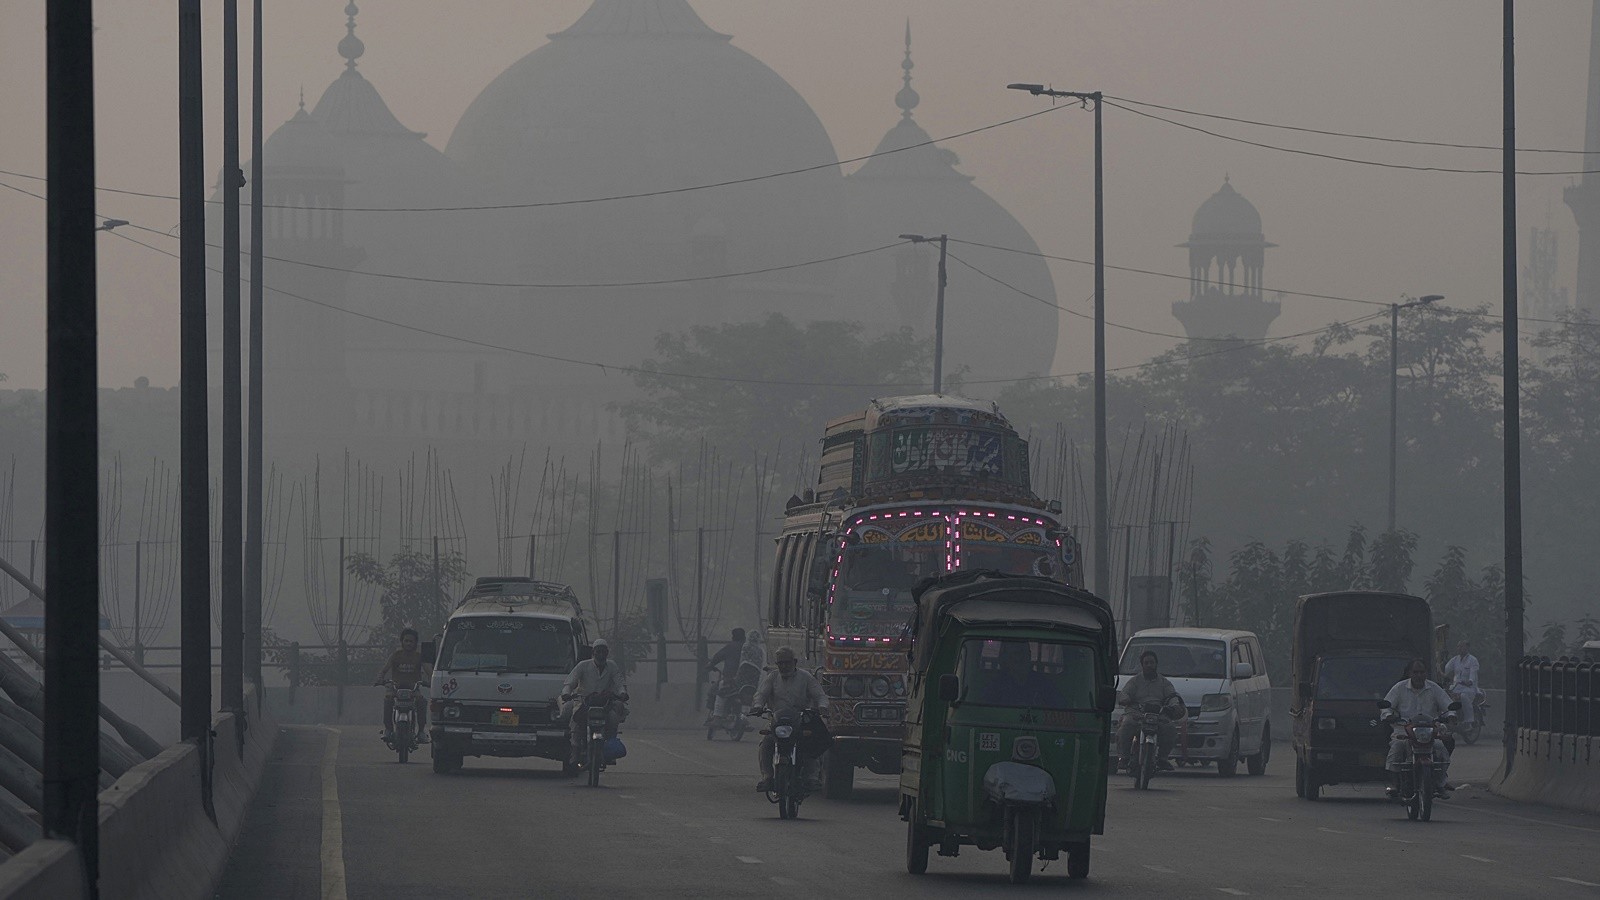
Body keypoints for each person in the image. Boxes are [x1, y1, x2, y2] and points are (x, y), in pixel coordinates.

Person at [752, 646, 829, 792]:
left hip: (800, 719)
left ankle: (811, 778)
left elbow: (820, 695)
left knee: (811, 743)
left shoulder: (805, 677)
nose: (783, 666)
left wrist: (822, 707)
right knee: (766, 744)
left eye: (787, 663)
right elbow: (761, 694)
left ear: (794, 662)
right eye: (780, 663)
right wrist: (757, 706)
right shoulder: (773, 677)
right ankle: (767, 777)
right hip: (777, 720)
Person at [1381, 658, 1455, 798]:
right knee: (1396, 748)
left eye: (1422, 672)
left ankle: (1440, 783)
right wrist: (1389, 715)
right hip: (1404, 730)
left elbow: (1448, 705)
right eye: (1415, 672)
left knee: (1440, 750)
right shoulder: (1399, 688)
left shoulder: (1434, 688)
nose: (1419, 675)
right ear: (1409, 673)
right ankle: (1394, 784)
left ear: (1426, 673)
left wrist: (1451, 715)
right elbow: (1386, 706)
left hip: (1429, 732)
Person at [561, 639, 629, 768]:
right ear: (593, 653)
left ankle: (609, 749)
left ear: (607, 653)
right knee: (576, 722)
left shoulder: (612, 666)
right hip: (584, 702)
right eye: (599, 652)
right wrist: (567, 693)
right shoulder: (583, 665)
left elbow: (620, 683)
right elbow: (569, 683)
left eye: (604, 652)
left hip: (605, 703)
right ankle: (575, 752)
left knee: (614, 719)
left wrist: (622, 693)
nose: (601, 655)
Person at [1115, 650, 1183, 771]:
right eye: (1146, 663)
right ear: (1142, 665)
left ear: (1156, 664)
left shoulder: (1164, 682)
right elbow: (1124, 693)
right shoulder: (1134, 681)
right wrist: (1125, 699)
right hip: (1136, 712)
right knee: (1126, 726)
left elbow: (1172, 696)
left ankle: (1162, 759)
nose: (1149, 665)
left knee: (1170, 729)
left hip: (1158, 714)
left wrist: (1174, 706)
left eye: (1151, 662)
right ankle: (1124, 758)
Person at [376, 628, 432, 743]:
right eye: (406, 641)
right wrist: (380, 679)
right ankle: (388, 729)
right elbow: (384, 670)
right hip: (396, 687)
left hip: (414, 688)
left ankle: (421, 731)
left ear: (415, 643)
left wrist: (432, 681)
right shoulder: (395, 655)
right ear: (402, 641)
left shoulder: (419, 656)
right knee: (388, 699)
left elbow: (429, 672)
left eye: (411, 641)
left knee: (421, 702)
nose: (408, 643)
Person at [973, 641, 1067, 708]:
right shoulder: (997, 685)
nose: (1019, 658)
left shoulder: (1043, 684)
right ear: (1006, 658)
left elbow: (1060, 708)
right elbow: (984, 711)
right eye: (1015, 654)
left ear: (1029, 655)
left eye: (1022, 653)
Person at [705, 628, 747, 723]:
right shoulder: (748, 648)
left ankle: (717, 717)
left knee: (717, 692)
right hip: (746, 680)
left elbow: (717, 657)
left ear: (733, 637)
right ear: (744, 637)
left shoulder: (730, 647)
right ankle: (745, 719)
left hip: (730, 678)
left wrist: (710, 665)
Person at [1442, 641, 1483, 729]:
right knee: (1446, 696)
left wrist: (1469, 681)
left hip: (1469, 689)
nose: (1459, 648)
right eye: (1458, 646)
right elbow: (1446, 669)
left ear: (1467, 648)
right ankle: (1451, 718)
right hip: (1456, 688)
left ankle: (1469, 721)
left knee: (1464, 696)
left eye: (1462, 646)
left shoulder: (1473, 660)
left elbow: (1473, 674)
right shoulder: (1455, 659)